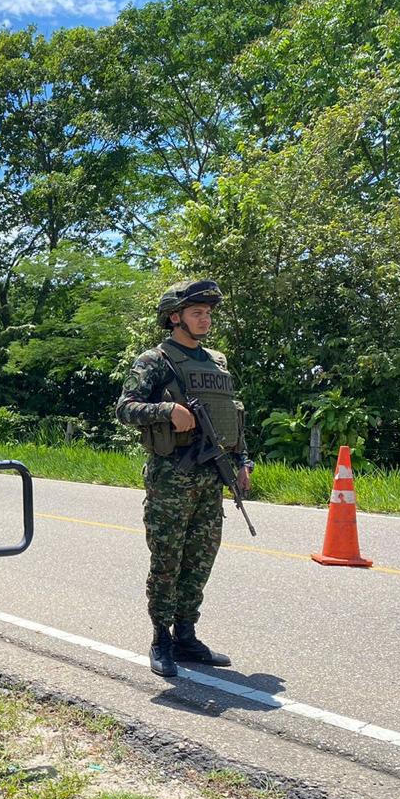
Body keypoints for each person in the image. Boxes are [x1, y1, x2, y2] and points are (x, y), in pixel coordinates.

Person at [115, 279, 253, 678]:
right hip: (171, 478)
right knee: (167, 561)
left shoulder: (217, 362)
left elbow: (230, 416)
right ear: (175, 317)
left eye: (207, 313)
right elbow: (125, 408)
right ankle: (161, 638)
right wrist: (166, 411)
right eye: (197, 313)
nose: (205, 319)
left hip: (212, 477)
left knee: (200, 560)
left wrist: (242, 460)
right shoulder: (154, 360)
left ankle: (186, 636)